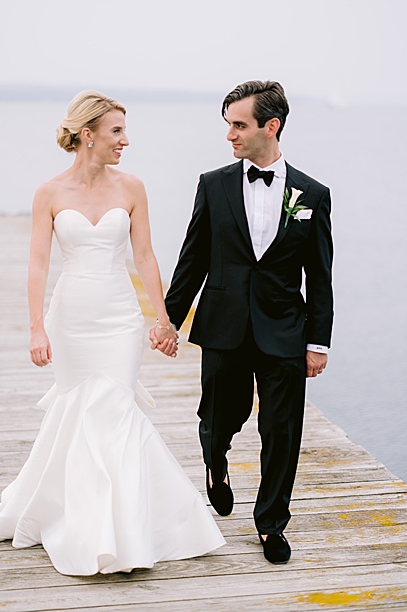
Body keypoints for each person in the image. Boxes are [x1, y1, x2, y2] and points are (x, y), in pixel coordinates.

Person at [0, 90, 226, 576]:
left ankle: (128, 531)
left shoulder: (132, 187)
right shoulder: (49, 193)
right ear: (87, 134)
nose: (125, 141)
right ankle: (81, 520)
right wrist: (35, 328)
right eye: (116, 131)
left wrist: (164, 317)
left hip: (118, 318)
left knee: (115, 410)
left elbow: (145, 256)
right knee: (79, 412)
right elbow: (37, 262)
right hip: (70, 318)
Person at [165, 80, 333, 565]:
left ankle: (270, 524)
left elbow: (320, 277)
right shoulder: (213, 184)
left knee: (282, 431)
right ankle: (215, 466)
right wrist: (170, 321)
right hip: (224, 325)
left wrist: (318, 343)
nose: (230, 135)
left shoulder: (313, 194)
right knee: (218, 419)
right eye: (228, 125)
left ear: (271, 127)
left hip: (284, 330)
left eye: (239, 125)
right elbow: (192, 258)